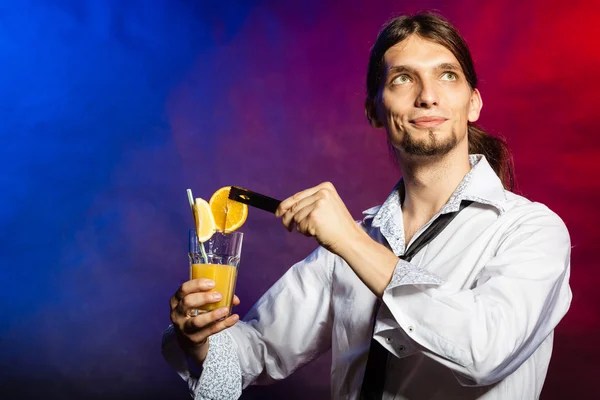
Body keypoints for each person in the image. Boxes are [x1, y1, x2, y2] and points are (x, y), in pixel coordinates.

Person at [162, 12, 572, 400]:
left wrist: (351, 243)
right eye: (402, 79)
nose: (428, 96)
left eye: (447, 75)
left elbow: (486, 350)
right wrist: (197, 341)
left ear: (474, 103)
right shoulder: (349, 244)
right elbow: (254, 352)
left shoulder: (531, 230)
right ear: (374, 111)